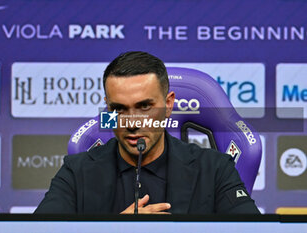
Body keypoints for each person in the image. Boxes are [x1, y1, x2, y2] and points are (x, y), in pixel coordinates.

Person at [35, 51, 260, 214]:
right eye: (119, 108)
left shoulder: (214, 169)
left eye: (145, 107)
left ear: (169, 105)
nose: (132, 123)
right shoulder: (76, 172)